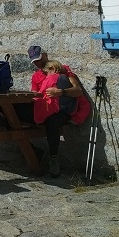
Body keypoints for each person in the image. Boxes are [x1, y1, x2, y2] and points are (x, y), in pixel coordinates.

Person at [23, 45, 91, 178]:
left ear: (45, 55)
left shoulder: (62, 70)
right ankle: (32, 151)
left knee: (52, 122)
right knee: (14, 115)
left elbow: (78, 91)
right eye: (34, 61)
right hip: (46, 107)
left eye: (38, 59)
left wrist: (60, 92)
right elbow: (35, 95)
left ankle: (53, 157)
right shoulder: (36, 76)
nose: (37, 63)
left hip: (62, 109)